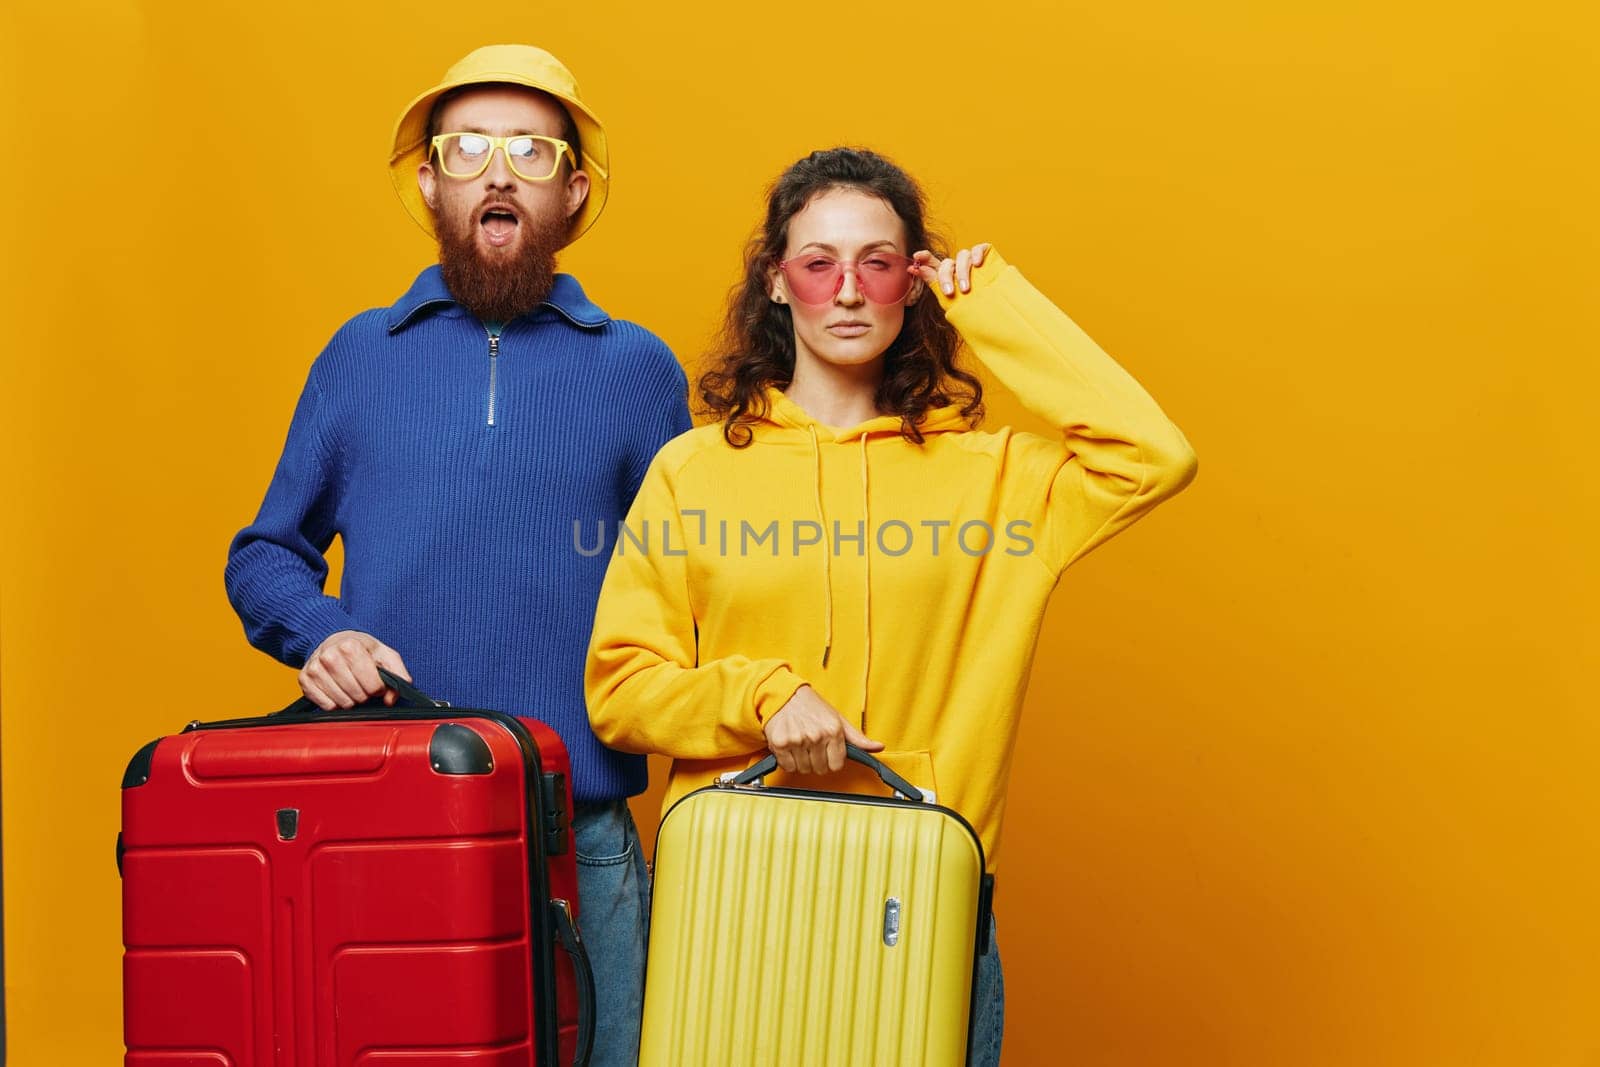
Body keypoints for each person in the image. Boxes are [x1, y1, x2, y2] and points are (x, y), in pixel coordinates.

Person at [584, 146, 1197, 1064]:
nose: (847, 290)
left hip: (920, 900)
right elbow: (620, 691)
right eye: (817, 262)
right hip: (735, 895)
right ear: (776, 283)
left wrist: (992, 304)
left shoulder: (999, 480)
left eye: (878, 263)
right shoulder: (694, 470)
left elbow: (1155, 455)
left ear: (913, 287)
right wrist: (761, 696)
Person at [224, 44, 688, 1066]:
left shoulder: (638, 367)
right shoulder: (358, 354)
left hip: (585, 828)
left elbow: (695, 591)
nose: (497, 170)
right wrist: (325, 629)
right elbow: (264, 555)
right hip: (390, 815)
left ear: (571, 190)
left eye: (530, 149)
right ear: (430, 181)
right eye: (466, 146)